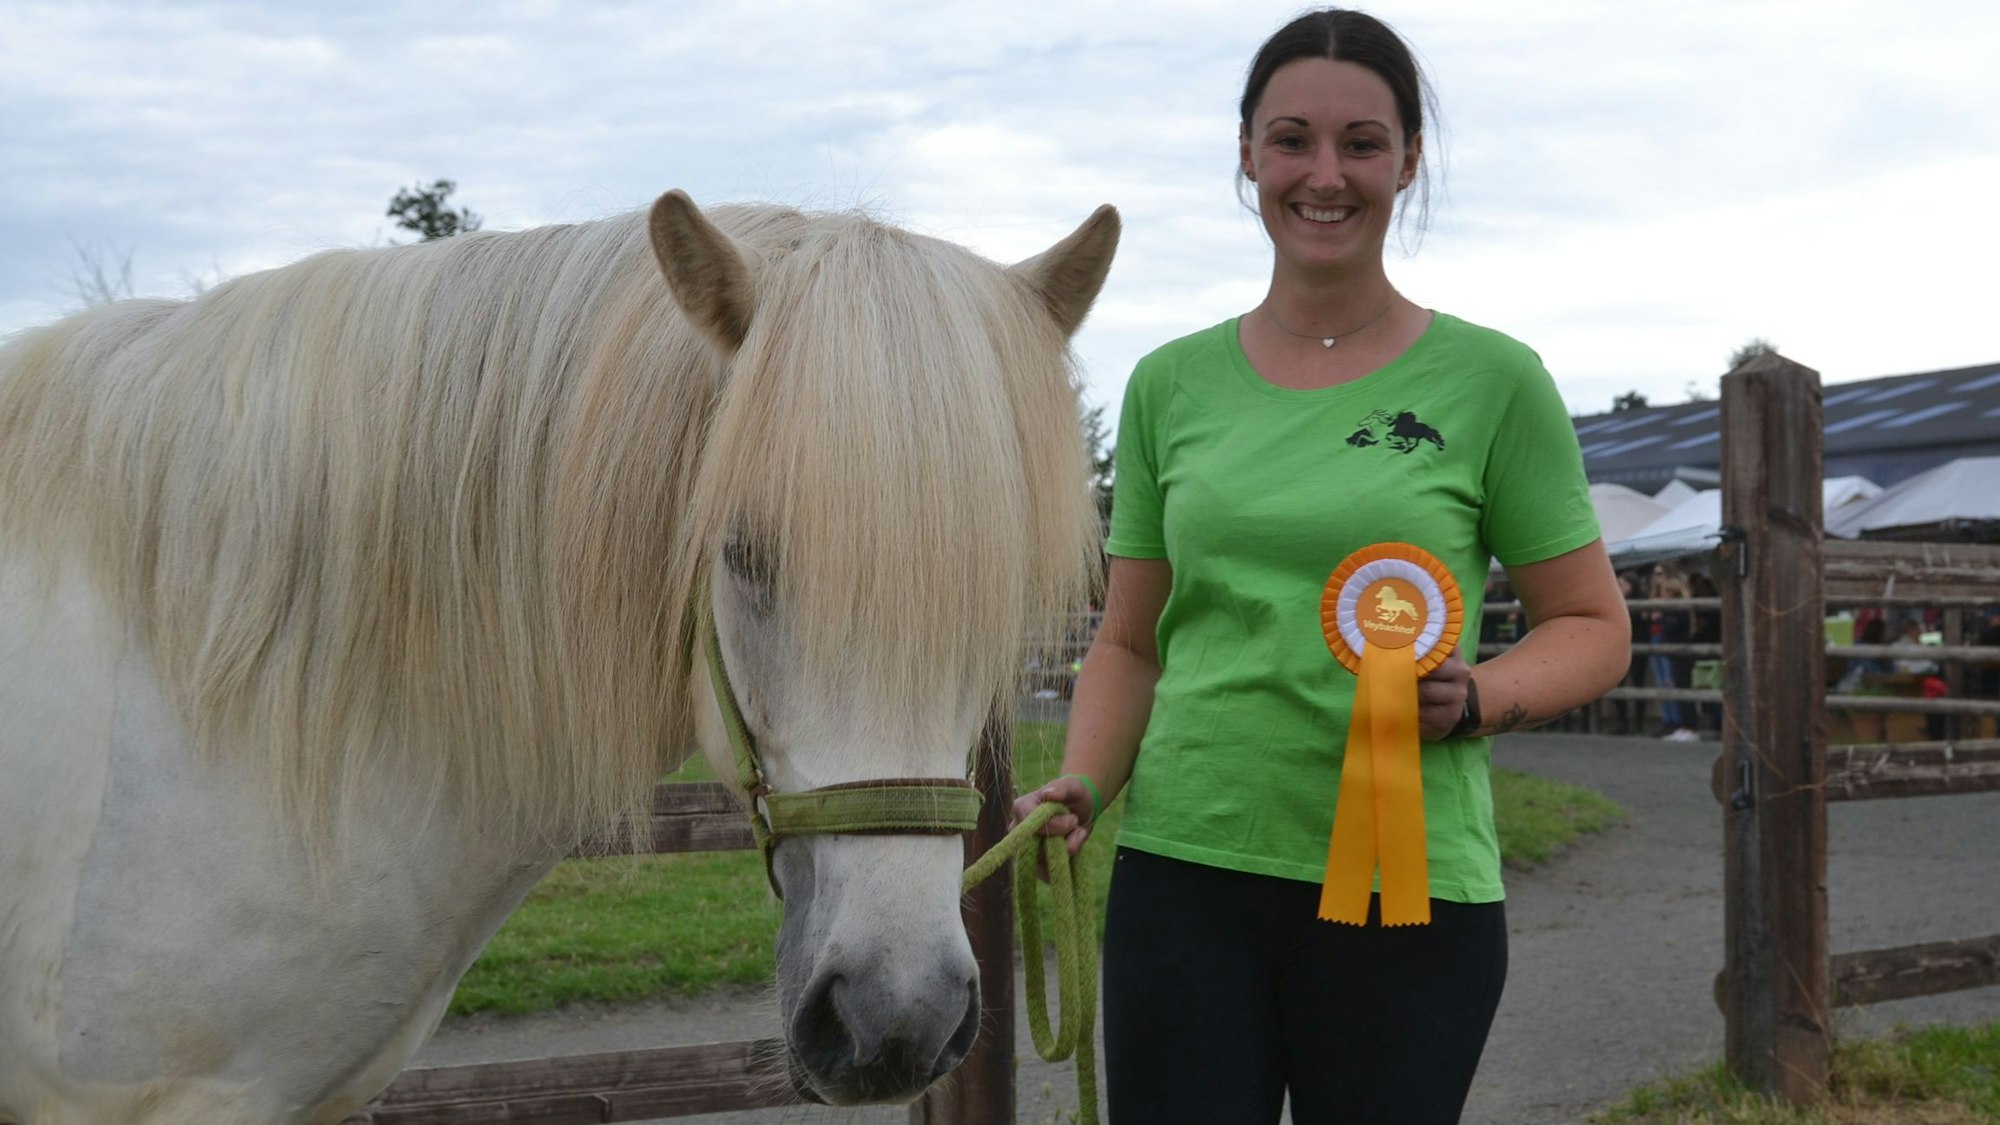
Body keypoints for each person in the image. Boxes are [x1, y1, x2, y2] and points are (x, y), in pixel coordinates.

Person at [1009, 10, 1630, 1123]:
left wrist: (1481, 696)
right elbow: (1128, 640)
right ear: (1246, 156)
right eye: (1290, 139)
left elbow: (1589, 624)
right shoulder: (1167, 385)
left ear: (1407, 162)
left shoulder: (1495, 381)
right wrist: (1085, 781)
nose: (1324, 174)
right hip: (1183, 877)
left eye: (1361, 143)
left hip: (1410, 896)